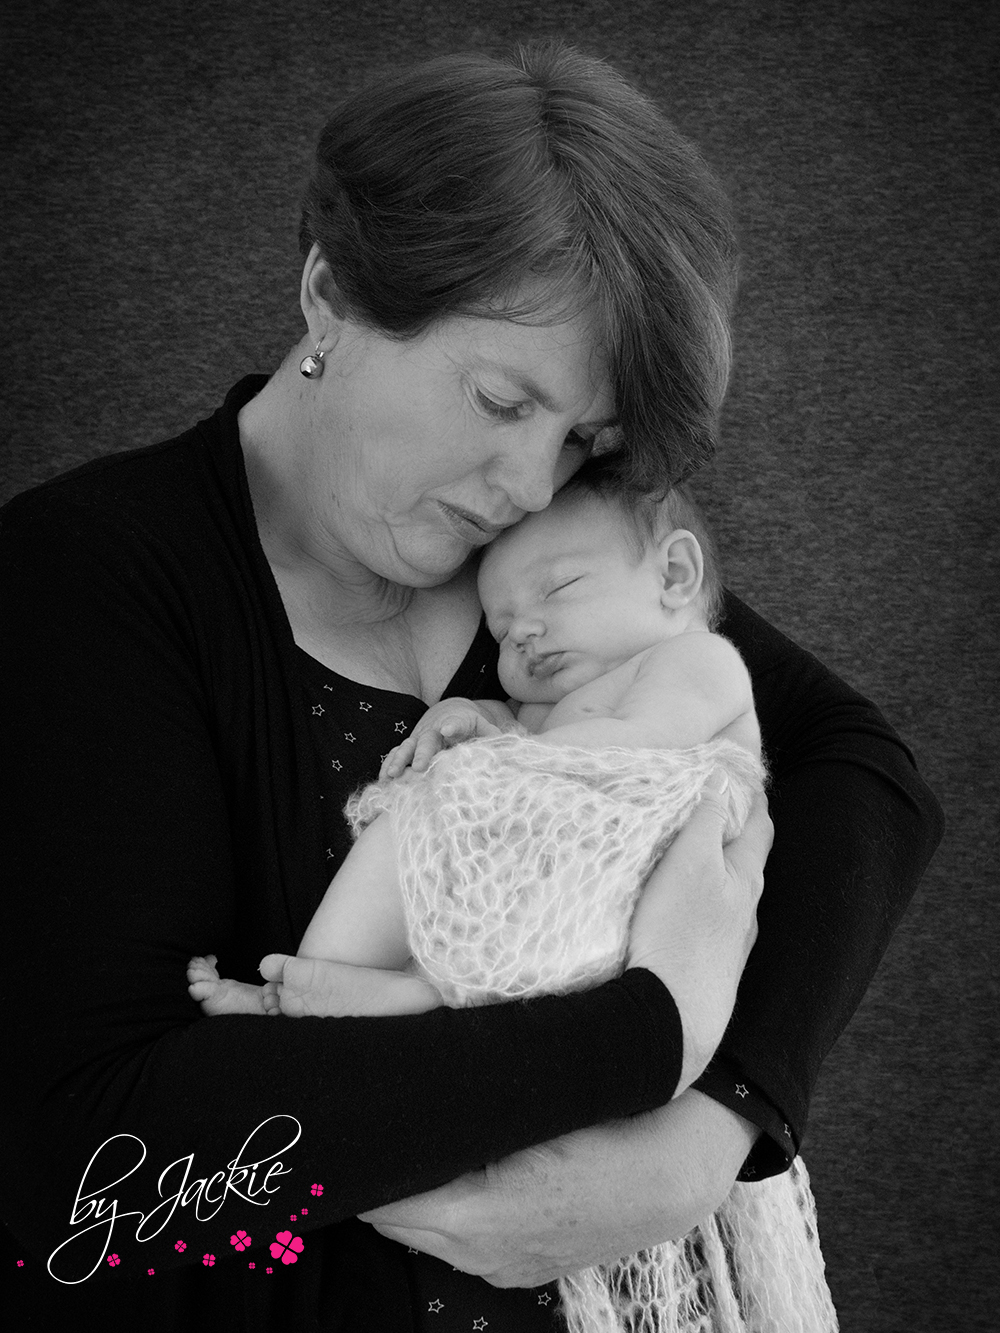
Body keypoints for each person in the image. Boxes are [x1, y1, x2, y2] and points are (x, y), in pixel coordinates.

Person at [0, 40, 943, 1333]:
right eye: (503, 399)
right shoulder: (87, 582)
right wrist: (649, 1030)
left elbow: (861, 771)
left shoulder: (534, 583)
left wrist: (714, 1130)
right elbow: (96, 1157)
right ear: (330, 295)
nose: (527, 482)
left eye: (581, 440)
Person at [188, 478, 764, 1026]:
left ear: (675, 574)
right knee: (406, 828)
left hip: (623, 894)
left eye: (558, 588)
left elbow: (645, 742)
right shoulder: (558, 701)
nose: (524, 633)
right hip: (532, 883)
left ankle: (414, 994)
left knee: (452, 825)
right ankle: (323, 983)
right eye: (501, 628)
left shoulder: (698, 659)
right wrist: (470, 715)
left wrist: (503, 754)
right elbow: (520, 737)